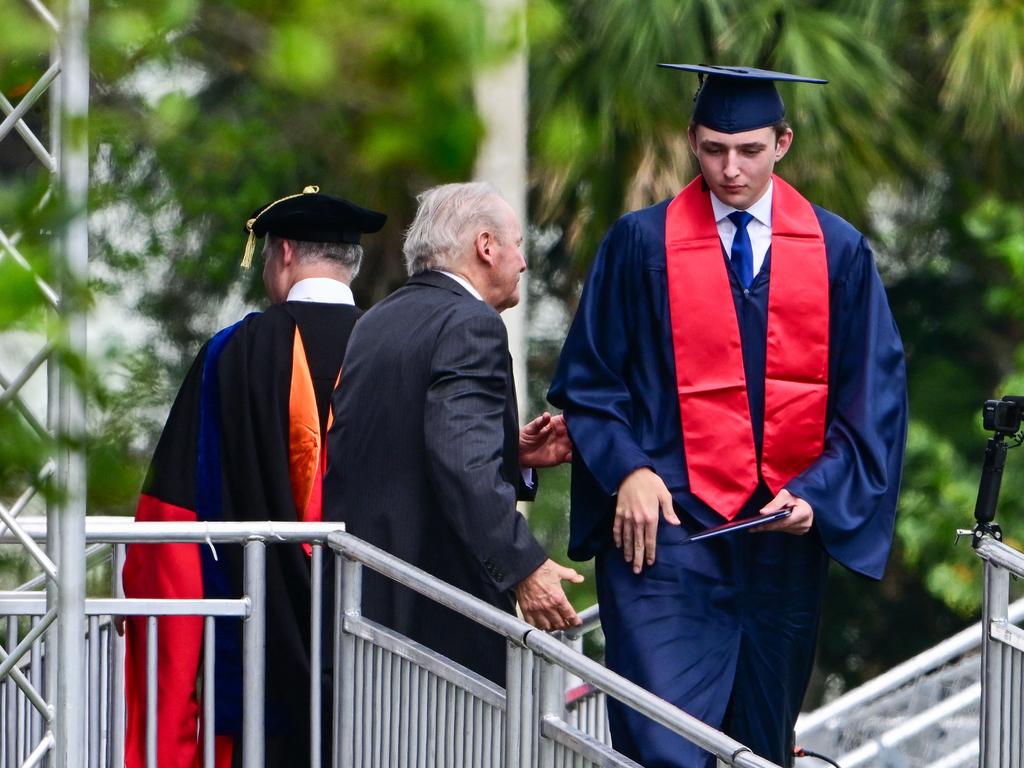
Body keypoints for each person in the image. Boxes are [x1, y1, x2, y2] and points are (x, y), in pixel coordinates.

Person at [548, 65, 908, 767]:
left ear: (783, 143)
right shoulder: (639, 245)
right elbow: (591, 382)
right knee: (664, 748)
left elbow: (873, 397)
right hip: (668, 542)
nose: (730, 168)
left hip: (780, 539)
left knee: (760, 749)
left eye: (748, 150)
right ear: (692, 141)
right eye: (713, 150)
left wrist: (821, 494)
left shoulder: (837, 253)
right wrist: (629, 472)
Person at [121, 187, 386, 768]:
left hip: (255, 639)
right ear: (351, 262)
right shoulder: (394, 352)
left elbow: (172, 515)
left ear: (284, 252)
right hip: (376, 642)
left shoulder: (232, 354)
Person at [325, 181, 582, 686]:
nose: (523, 263)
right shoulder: (473, 324)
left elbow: (407, 445)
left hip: (368, 603)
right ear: (486, 247)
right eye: (518, 245)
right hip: (441, 620)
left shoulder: (375, 321)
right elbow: (462, 464)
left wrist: (512, 452)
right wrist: (524, 567)